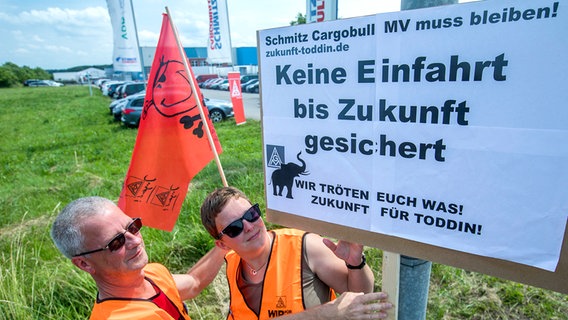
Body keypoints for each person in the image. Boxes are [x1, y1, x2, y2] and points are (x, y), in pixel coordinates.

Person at [200, 186, 393, 319]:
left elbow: (359, 295)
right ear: (223, 245)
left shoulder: (305, 246)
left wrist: (355, 264)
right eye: (235, 228)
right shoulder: (231, 264)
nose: (249, 226)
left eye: (251, 214)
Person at [50, 196, 226, 320]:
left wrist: (226, 241)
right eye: (116, 242)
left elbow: (194, 282)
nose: (135, 240)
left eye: (132, 227)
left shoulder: (150, 274)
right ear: (84, 263)